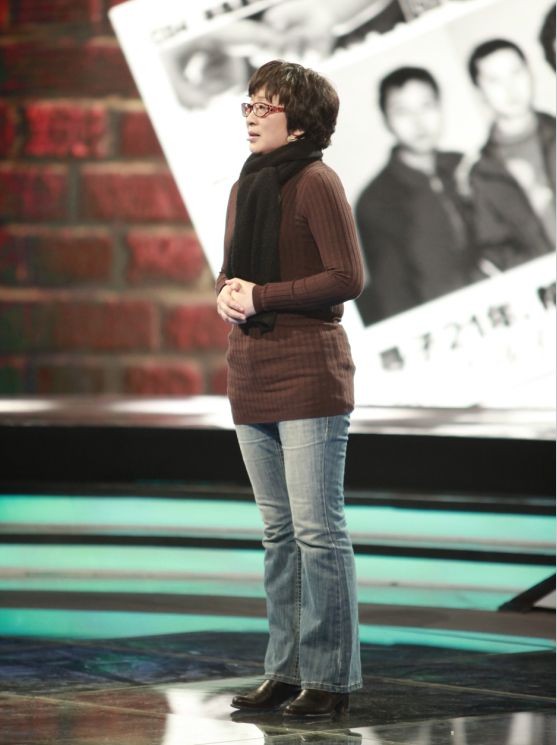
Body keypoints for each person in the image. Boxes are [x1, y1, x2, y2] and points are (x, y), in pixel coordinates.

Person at [215, 59, 364, 718]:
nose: (250, 116)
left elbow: (346, 277)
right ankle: (285, 669)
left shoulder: (316, 181)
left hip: (307, 372)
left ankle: (328, 678)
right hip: (251, 370)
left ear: (298, 122)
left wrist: (263, 295)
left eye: (264, 107)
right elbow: (232, 272)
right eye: (247, 104)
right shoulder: (246, 184)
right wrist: (226, 294)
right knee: (278, 534)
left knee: (316, 533)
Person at [355, 66, 478, 326]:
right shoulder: (375, 201)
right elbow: (392, 294)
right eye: (402, 111)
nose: (418, 122)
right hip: (442, 324)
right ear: (386, 120)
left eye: (426, 106)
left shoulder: (466, 166)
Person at [468, 39, 556, 273]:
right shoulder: (483, 173)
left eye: (516, 73)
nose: (510, 88)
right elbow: (496, 249)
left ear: (530, 73)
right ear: (479, 92)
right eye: (494, 80)